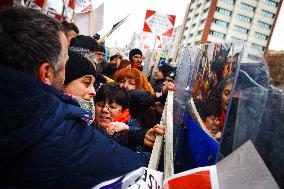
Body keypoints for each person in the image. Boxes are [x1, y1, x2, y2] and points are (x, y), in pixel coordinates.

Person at [0, 7, 161, 188]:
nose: (93, 92)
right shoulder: (60, 132)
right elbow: (136, 169)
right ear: (46, 73)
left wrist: (133, 136)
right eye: (65, 64)